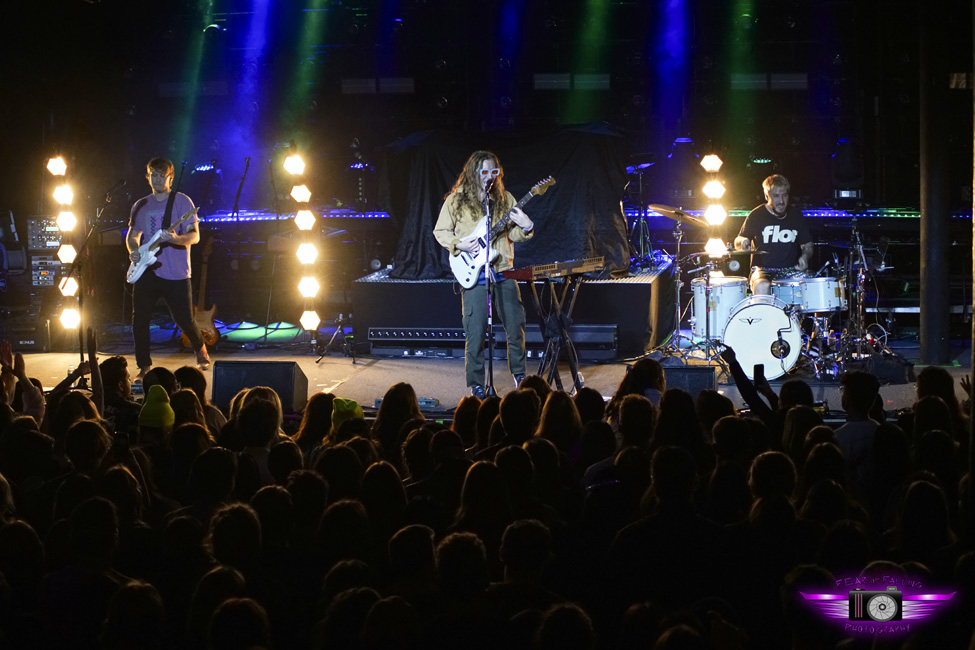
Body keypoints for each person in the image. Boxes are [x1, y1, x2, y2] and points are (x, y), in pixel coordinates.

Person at [433, 151, 534, 398]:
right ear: (473, 173)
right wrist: (460, 244)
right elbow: (440, 231)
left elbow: (512, 235)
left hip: (503, 271)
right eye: (484, 171)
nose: (490, 176)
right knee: (475, 331)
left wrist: (527, 226)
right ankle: (477, 385)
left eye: (494, 172)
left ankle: (520, 375)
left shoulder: (505, 199)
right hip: (473, 272)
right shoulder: (455, 200)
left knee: (515, 325)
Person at [127, 157, 210, 380]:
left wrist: (175, 239)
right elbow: (132, 236)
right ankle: (144, 366)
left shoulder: (182, 202)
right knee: (140, 319)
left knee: (184, 319)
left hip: (176, 272)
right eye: (152, 174)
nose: (156, 179)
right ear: (148, 177)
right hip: (147, 271)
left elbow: (195, 236)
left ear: (170, 178)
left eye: (161, 175)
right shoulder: (141, 205)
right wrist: (133, 250)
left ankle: (200, 347)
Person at [734, 174, 813, 295]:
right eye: (776, 196)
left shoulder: (796, 215)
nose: (781, 201)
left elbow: (808, 245)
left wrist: (805, 256)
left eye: (784, 195)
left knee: (812, 282)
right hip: (762, 271)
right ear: (767, 196)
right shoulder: (757, 215)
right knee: (762, 285)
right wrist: (743, 242)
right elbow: (738, 241)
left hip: (790, 270)